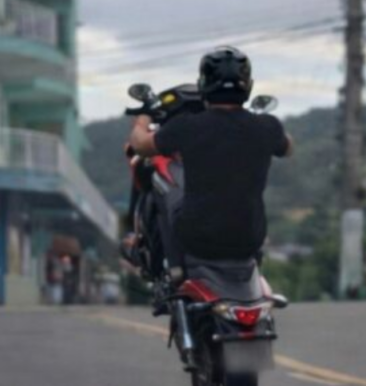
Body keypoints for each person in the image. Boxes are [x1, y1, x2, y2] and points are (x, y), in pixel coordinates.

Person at [126, 46, 293, 280]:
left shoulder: (187, 126)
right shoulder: (267, 127)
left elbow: (141, 145)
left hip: (199, 240)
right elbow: (288, 147)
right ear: (248, 85)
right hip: (249, 241)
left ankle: (170, 270)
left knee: (164, 183)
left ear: (204, 83)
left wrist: (143, 117)